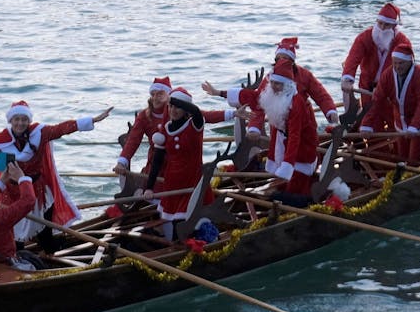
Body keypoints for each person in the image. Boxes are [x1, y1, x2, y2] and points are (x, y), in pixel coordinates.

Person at [0, 101, 114, 243]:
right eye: (16, 119)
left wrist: (93, 120)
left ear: (28, 121)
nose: (20, 123)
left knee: (45, 229)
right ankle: (16, 256)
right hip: (12, 191)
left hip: (37, 189)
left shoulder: (39, 132)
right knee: (15, 231)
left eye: (24, 119)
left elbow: (62, 129)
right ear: (11, 121)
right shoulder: (1, 139)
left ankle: (48, 252)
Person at [204, 59, 319, 200]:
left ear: (287, 85)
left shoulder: (297, 103)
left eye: (278, 84)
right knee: (280, 182)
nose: (274, 86)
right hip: (282, 142)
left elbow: (295, 137)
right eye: (273, 82)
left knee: (295, 189)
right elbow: (251, 97)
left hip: (302, 146)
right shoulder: (270, 92)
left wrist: (287, 165)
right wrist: (219, 93)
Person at [140, 87, 231, 239]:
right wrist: (149, 187)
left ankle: (197, 246)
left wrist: (172, 99)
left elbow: (195, 111)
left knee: (187, 224)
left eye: (178, 107)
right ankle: (178, 249)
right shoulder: (165, 130)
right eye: (171, 107)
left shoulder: (195, 125)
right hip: (172, 185)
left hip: (192, 184)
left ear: (185, 109)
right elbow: (157, 161)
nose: (174, 110)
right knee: (175, 228)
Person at [359, 39, 420, 164]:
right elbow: (377, 100)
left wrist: (415, 126)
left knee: (414, 158)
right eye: (395, 63)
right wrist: (367, 124)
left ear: (410, 62)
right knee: (402, 157)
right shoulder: (388, 74)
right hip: (400, 123)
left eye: (401, 63)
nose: (397, 67)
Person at [340, 2, 410, 106]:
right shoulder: (365, 37)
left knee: (391, 119)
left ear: (394, 26)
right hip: (367, 87)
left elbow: (406, 67)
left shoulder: (402, 41)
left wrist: (386, 85)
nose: (382, 28)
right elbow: (353, 58)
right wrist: (347, 79)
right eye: (380, 23)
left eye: (387, 25)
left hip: (390, 90)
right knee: (369, 118)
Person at [113, 77, 173, 179]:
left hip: (176, 162)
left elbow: (204, 116)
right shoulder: (144, 116)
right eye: (153, 94)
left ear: (168, 96)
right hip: (155, 164)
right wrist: (122, 162)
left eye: (160, 95)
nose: (155, 98)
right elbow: (133, 140)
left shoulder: (178, 111)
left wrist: (211, 95)